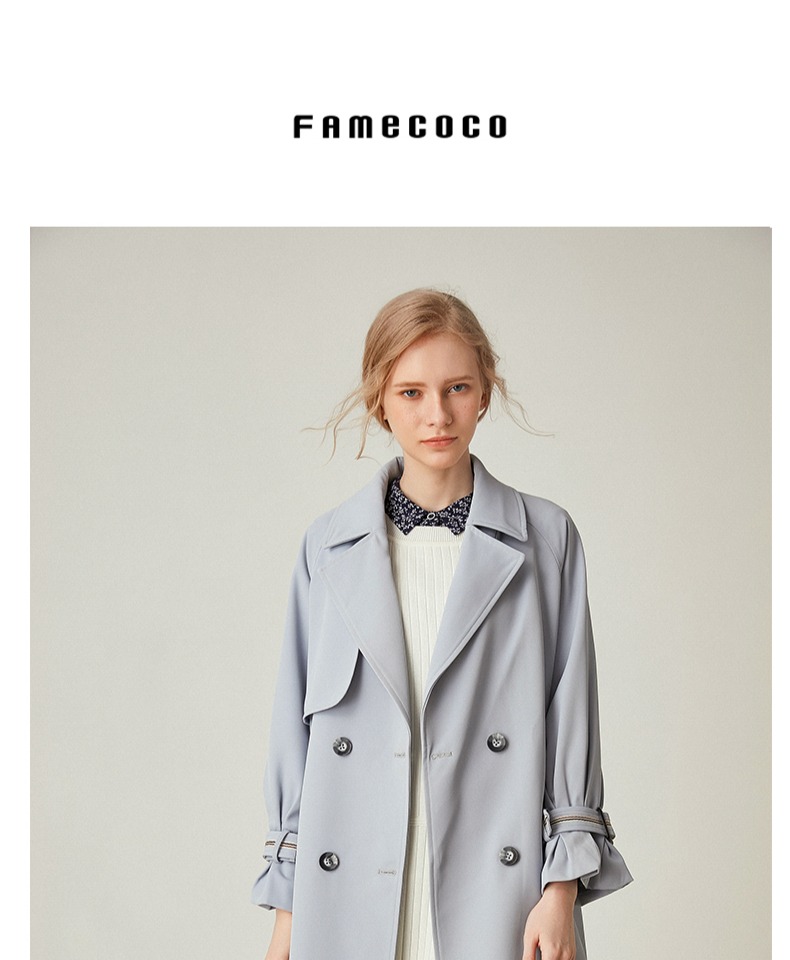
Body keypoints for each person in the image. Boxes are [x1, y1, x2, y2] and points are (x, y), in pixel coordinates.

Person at [251, 289, 633, 960]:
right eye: (412, 393)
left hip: (499, 891)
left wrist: (562, 890)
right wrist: (288, 912)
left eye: (457, 387)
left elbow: (572, 712)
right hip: (350, 893)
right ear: (380, 401)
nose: (438, 414)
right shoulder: (328, 548)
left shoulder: (545, 540)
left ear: (485, 391)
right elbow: (297, 731)